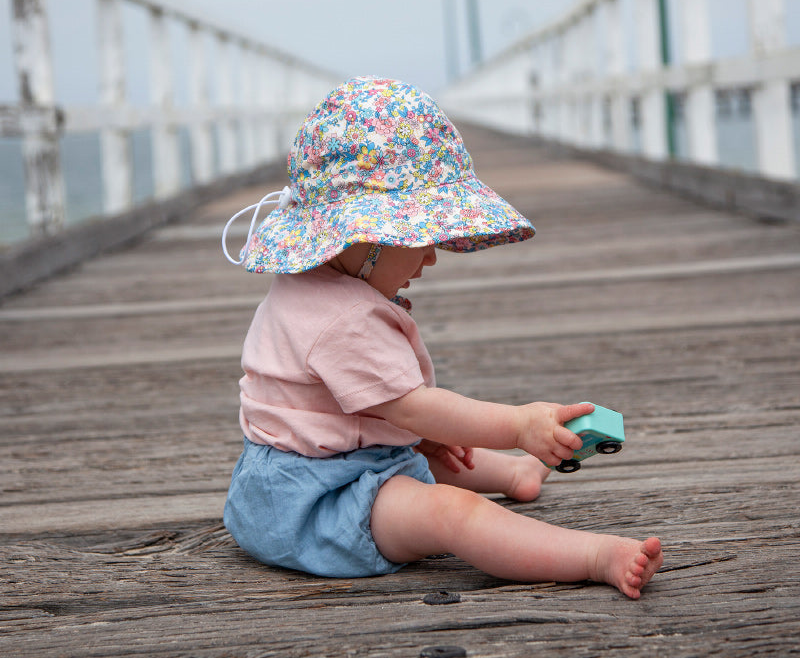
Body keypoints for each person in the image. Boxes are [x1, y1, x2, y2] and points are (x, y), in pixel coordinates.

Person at [221, 76, 662, 599]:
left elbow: (336, 407)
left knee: (436, 452)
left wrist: (422, 433)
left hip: (286, 476)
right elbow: (413, 408)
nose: (431, 256)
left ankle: (517, 475)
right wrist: (520, 424)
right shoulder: (346, 320)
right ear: (368, 236)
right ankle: (592, 556)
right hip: (313, 503)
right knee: (451, 513)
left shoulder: (309, 286)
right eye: (422, 238)